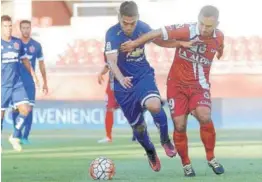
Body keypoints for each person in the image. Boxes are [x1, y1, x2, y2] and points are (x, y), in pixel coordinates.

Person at [120, 5, 225, 177]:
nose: (204, 29)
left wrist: (220, 52)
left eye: (209, 26)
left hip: (199, 85)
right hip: (177, 86)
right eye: (202, 24)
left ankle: (211, 158)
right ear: (197, 20)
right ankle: (186, 164)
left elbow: (220, 46)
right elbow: (156, 33)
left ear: (216, 24)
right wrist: (135, 43)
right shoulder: (186, 30)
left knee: (205, 116)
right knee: (180, 125)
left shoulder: (219, 36)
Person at [104, 1, 187, 172]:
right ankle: (150, 151)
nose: (128, 27)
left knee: (155, 104)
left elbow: (159, 41)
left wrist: (179, 44)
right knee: (138, 127)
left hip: (143, 76)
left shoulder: (143, 27)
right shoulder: (112, 33)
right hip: (122, 86)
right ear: (119, 18)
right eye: (125, 23)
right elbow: (111, 61)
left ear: (137, 19)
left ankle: (165, 140)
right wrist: (121, 78)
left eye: (132, 23)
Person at [1, 15, 38, 151]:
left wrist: (33, 75)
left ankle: (15, 135)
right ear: (1, 27)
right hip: (3, 85)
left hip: (17, 84)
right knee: (1, 115)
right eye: (5, 26)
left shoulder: (17, 43)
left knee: (26, 109)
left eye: (10, 25)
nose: (8, 28)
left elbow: (25, 60)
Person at [11, 20, 48, 145]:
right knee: (16, 109)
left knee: (29, 108)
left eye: (28, 28)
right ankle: (17, 133)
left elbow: (41, 64)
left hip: (29, 81)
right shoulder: (15, 44)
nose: (26, 30)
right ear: (20, 29)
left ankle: (25, 137)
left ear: (30, 29)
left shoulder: (36, 45)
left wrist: (44, 82)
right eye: (23, 28)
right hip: (15, 80)